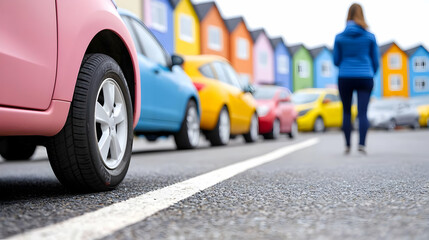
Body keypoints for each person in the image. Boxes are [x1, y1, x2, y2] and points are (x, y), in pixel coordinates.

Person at [333, 3, 380, 154]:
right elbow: (375, 61)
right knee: (362, 113)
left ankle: (347, 145)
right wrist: (371, 73)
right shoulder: (370, 36)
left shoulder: (339, 37)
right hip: (365, 76)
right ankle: (362, 145)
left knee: (346, 112)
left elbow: (336, 61)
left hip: (345, 76)